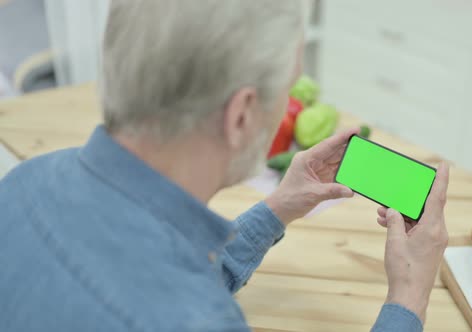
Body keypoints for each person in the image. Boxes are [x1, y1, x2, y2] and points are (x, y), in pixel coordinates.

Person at [0, 1, 449, 331]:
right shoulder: (200, 319)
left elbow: (151, 271)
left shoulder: (21, 183)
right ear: (240, 116)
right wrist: (408, 297)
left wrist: (276, 211)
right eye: (287, 90)